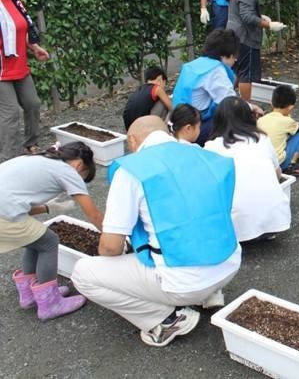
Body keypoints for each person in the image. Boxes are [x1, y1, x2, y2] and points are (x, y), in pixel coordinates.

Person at [71, 116, 241, 347]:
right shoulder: (208, 156)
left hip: (185, 283)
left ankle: (166, 320)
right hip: (229, 265)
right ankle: (209, 295)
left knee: (83, 273)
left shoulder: (133, 170)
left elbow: (110, 247)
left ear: (132, 140)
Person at [1, 141, 103, 320]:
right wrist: (111, 236)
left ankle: (29, 294)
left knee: (34, 239)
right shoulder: (68, 171)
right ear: (79, 164)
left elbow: (19, 204)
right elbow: (93, 215)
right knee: (49, 242)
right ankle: (49, 303)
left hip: (5, 210)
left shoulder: (40, 159)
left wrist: (49, 207)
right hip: (4, 214)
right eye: (83, 176)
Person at [205, 97, 291, 242]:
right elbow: (277, 174)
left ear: (219, 119)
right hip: (274, 218)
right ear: (248, 116)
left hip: (237, 226)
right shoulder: (262, 138)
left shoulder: (212, 147)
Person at [0, 0, 50, 162]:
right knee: (10, 113)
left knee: (33, 103)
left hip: (19, 65)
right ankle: (9, 159)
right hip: (1, 71)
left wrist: (34, 47)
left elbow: (22, 28)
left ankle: (30, 143)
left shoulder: (13, 0)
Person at [172, 28, 246, 145]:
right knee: (234, 118)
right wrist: (251, 108)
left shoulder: (195, 64)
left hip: (176, 123)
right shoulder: (215, 70)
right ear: (225, 56)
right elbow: (231, 102)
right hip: (192, 130)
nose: (235, 60)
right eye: (234, 57)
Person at [226, 0, 284, 102]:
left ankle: (229, 101)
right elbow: (247, 17)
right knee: (246, 75)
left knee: (237, 71)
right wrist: (269, 25)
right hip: (246, 38)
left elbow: (242, 12)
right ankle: (246, 107)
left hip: (234, 34)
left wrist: (259, 15)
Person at [257, 85, 299, 177]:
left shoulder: (261, 120)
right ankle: (290, 165)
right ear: (291, 108)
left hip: (262, 162)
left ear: (271, 103)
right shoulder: (287, 121)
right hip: (279, 163)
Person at [122, 65, 172, 131]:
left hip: (130, 128)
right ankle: (165, 129)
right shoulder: (157, 88)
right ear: (160, 79)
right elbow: (172, 107)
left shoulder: (139, 90)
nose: (164, 86)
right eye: (164, 83)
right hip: (145, 127)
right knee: (165, 102)